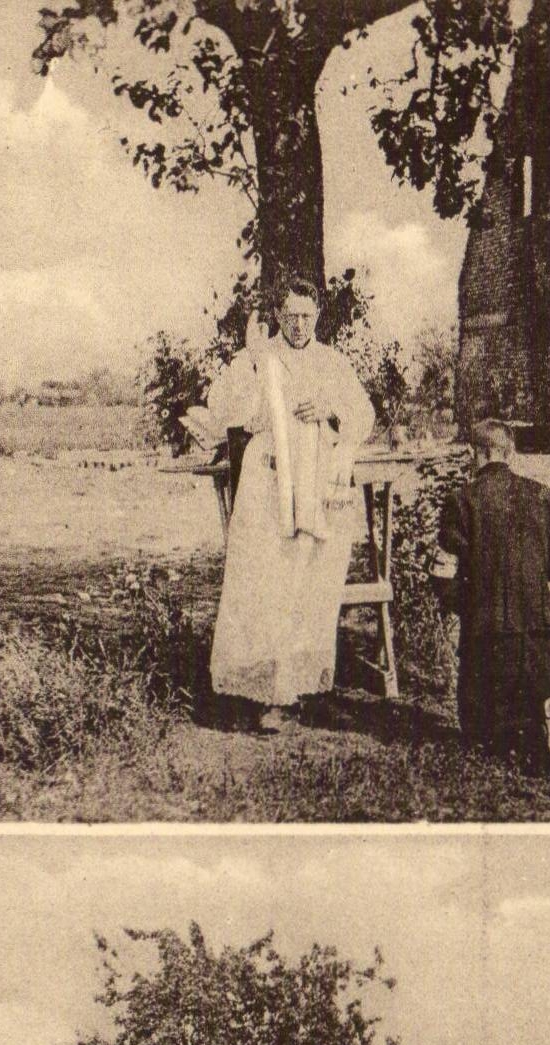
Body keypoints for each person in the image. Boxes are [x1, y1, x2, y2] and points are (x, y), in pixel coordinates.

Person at [204, 275, 376, 733]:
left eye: (308, 315)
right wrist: (252, 414)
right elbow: (218, 405)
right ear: (278, 315)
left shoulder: (332, 362)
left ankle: (309, 687)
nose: (300, 324)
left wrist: (331, 410)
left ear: (317, 315)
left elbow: (364, 415)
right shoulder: (259, 357)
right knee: (269, 583)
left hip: (316, 486)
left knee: (311, 584)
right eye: (292, 315)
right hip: (269, 485)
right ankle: (269, 695)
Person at [436, 420, 550, 776]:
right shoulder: (544, 495)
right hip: (543, 638)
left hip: (488, 642)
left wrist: (465, 606)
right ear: (510, 453)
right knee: (539, 712)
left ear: (475, 454)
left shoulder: (461, 499)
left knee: (481, 734)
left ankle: (523, 738)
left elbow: (443, 575)